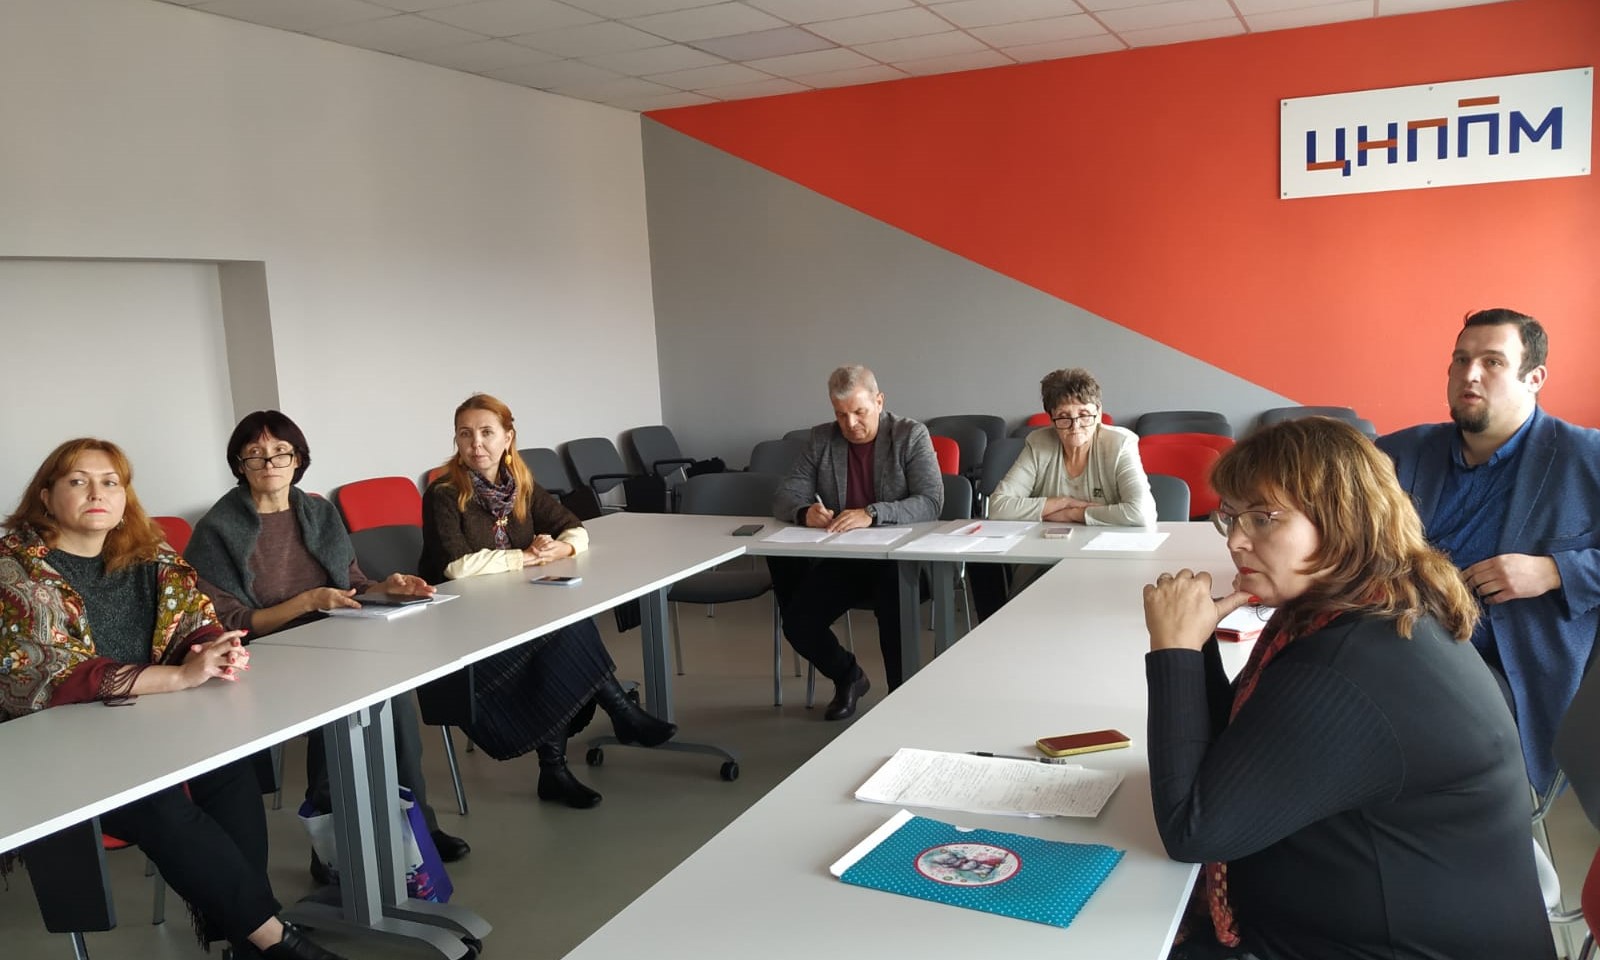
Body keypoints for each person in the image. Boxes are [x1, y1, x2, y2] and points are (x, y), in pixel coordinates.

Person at [1142, 418, 1551, 960]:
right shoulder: (1367, 608)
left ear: (1342, 520)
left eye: (1263, 518)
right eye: (1232, 516)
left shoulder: (1347, 664)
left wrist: (1173, 649)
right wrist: (1194, 645)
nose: (1237, 539)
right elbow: (1231, 746)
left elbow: (1192, 832)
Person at [0, 439, 345, 960]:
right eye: (77, 481)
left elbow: (194, 622)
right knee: (156, 802)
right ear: (46, 497)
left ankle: (252, 941)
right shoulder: (15, 568)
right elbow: (45, 672)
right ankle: (273, 940)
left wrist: (213, 649)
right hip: (59, 750)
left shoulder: (149, 555)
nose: (97, 493)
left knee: (229, 769)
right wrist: (180, 678)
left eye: (110, 482)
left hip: (152, 726)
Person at [185, 411, 470, 873]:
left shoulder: (318, 512)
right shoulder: (217, 529)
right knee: (336, 708)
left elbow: (351, 583)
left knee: (393, 698)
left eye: (281, 452)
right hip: (267, 653)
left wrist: (388, 587)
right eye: (255, 454)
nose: (269, 463)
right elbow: (231, 622)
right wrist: (306, 602)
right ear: (239, 464)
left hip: (336, 636)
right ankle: (331, 844)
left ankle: (418, 825)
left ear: (298, 459)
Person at [1377, 308, 1600, 794]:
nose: (1470, 374)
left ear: (1534, 377)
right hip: (1390, 645)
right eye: (1461, 359)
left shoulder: (1587, 456)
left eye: (1492, 362)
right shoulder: (1404, 451)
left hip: (1505, 675)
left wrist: (1556, 571)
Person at [419, 393, 676, 809]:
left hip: (514, 610)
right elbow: (457, 566)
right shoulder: (444, 493)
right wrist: (526, 557)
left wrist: (563, 548)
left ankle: (558, 767)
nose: (476, 444)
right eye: (465, 434)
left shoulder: (518, 483)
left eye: (486, 433)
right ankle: (617, 714)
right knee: (563, 631)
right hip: (465, 627)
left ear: (508, 437)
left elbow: (574, 527)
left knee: (560, 625)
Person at [769, 365, 943, 720]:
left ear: (879, 401)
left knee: (893, 606)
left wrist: (872, 513)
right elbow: (786, 494)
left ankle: (900, 701)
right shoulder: (822, 438)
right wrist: (804, 511)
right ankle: (849, 676)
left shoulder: (910, 434)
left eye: (859, 412)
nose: (850, 424)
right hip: (846, 559)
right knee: (799, 622)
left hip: (900, 561)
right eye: (840, 414)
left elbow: (930, 501)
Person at [977, 367, 1155, 617]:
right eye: (1063, 417)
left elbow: (1141, 513)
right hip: (1043, 561)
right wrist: (1063, 502)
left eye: (1084, 415)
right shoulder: (1038, 443)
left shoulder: (1120, 444)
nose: (1075, 426)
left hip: (1108, 562)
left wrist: (1072, 514)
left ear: (1098, 413)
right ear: (1051, 419)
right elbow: (998, 506)